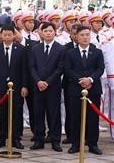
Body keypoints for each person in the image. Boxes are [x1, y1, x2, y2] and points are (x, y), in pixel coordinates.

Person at [64, 25, 105, 155]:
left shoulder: (97, 52)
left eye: (87, 34)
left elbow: (100, 68)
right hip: (76, 89)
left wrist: (90, 80)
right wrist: (81, 80)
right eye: (82, 35)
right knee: (75, 117)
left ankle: (93, 144)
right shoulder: (70, 53)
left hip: (93, 90)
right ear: (76, 37)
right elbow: (68, 69)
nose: (85, 37)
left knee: (93, 118)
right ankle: (76, 143)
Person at [0, 25, 28, 149]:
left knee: (16, 112)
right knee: (1, 112)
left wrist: (25, 86)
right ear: (0, 35)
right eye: (4, 35)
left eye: (9, 35)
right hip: (0, 87)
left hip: (17, 87)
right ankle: (0, 137)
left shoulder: (21, 49)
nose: (6, 37)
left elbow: (24, 69)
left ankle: (16, 138)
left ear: (14, 35)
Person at [28, 22, 65, 152]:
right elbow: (32, 67)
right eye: (46, 31)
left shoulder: (60, 48)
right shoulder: (35, 48)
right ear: (41, 33)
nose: (48, 33)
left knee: (53, 114)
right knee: (38, 113)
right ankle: (39, 139)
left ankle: (55, 140)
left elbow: (60, 68)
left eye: (50, 31)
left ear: (55, 32)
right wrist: (38, 81)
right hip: (38, 87)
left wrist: (48, 82)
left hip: (53, 87)